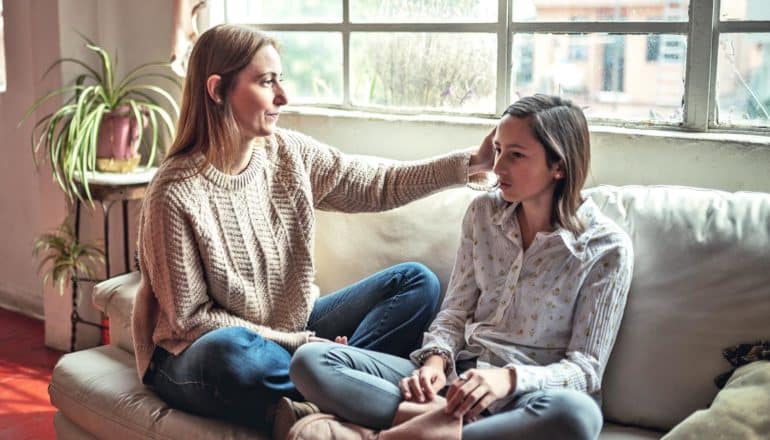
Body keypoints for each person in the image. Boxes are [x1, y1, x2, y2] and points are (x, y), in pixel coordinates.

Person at [130, 23, 494, 431]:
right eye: (267, 82)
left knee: (416, 283)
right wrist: (300, 345)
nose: (283, 97)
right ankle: (342, 390)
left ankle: (325, 393)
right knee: (231, 352)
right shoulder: (175, 191)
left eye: (280, 80)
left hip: (292, 333)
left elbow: (377, 184)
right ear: (217, 90)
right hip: (193, 353)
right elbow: (192, 321)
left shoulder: (289, 154)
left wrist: (470, 165)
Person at [290, 94, 634, 440]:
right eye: (498, 150)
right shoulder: (482, 214)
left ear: (558, 166)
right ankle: (437, 429)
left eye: (516, 155)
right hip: (454, 384)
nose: (498, 168)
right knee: (310, 361)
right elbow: (455, 311)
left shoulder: (605, 249)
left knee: (578, 415)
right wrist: (435, 365)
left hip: (524, 398)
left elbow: (586, 369)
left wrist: (507, 379)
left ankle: (405, 432)